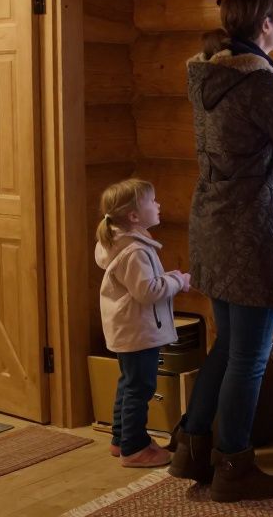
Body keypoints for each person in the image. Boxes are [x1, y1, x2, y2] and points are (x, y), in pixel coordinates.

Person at [168, 0, 273, 502]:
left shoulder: (210, 75)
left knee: (228, 346)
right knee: (250, 358)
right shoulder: (261, 84)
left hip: (212, 226)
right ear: (265, 24)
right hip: (251, 235)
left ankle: (192, 449)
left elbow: (256, 133)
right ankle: (234, 467)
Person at [95, 178, 191, 468]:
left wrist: (166, 278)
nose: (158, 205)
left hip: (128, 329)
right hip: (138, 330)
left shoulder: (122, 242)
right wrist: (177, 280)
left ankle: (121, 438)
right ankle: (134, 449)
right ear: (134, 216)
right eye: (152, 201)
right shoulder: (134, 251)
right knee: (141, 388)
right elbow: (147, 292)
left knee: (129, 384)